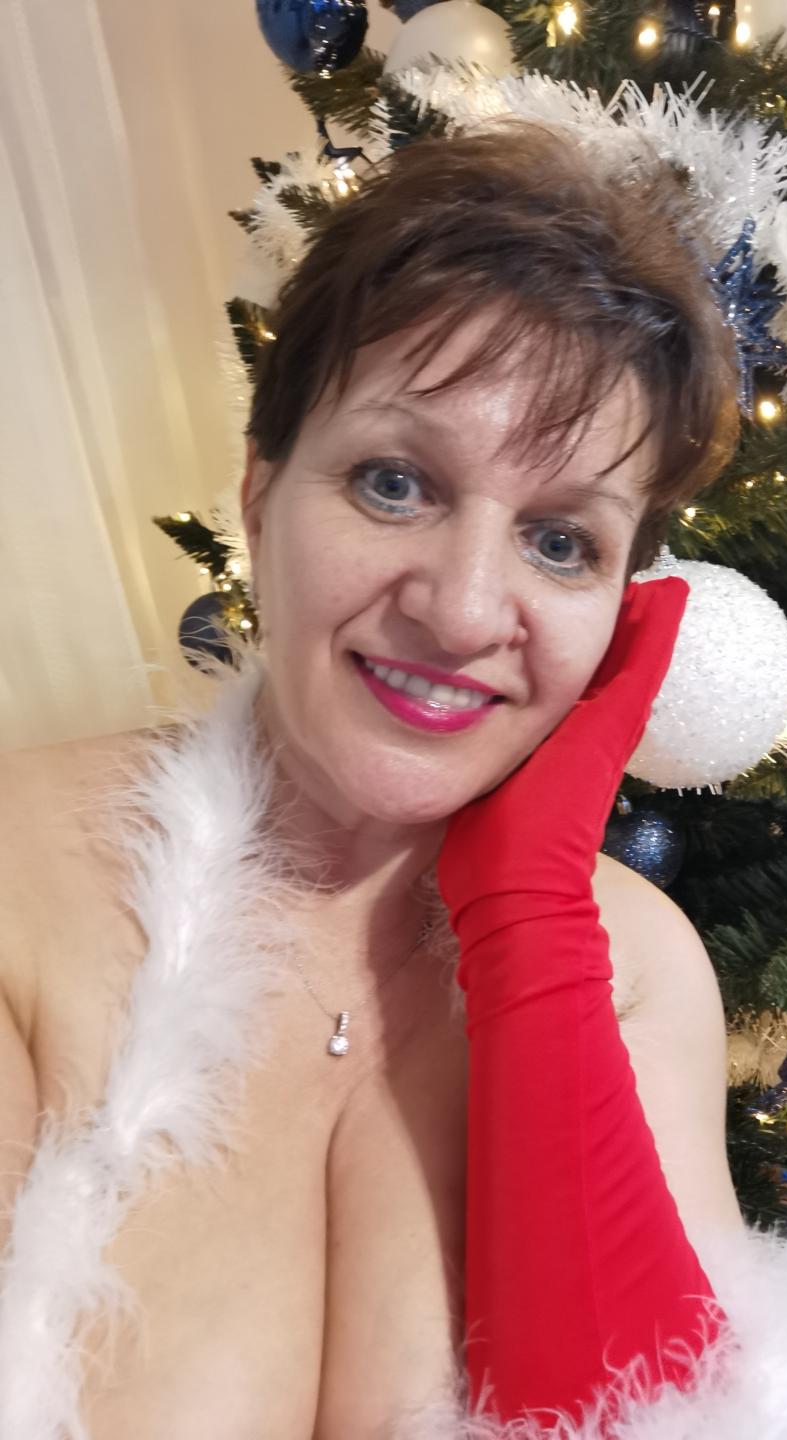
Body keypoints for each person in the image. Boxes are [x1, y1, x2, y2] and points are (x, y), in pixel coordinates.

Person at [0, 117, 742, 1438]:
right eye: (395, 483)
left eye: (562, 542)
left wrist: (531, 922)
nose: (462, 610)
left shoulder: (638, 971)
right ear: (260, 493)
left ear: (626, 610)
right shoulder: (21, 876)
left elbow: (657, 1417)